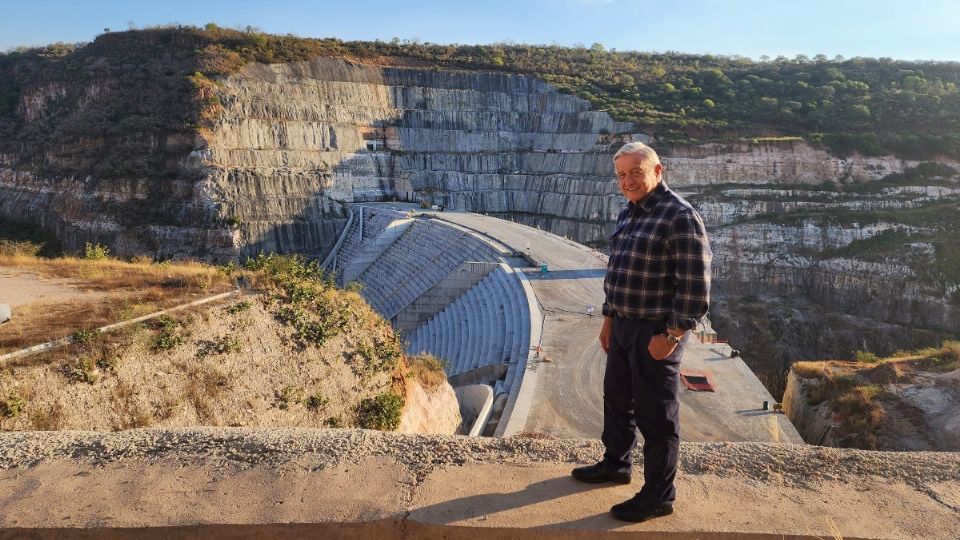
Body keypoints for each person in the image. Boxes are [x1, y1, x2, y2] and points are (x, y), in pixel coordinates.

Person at [572, 141, 712, 522]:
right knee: (616, 399)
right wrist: (608, 319)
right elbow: (617, 272)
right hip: (622, 324)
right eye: (622, 175)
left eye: (636, 171)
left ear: (657, 170)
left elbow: (696, 287)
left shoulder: (679, 217)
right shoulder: (630, 212)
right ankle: (615, 464)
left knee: (657, 416)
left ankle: (658, 496)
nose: (629, 180)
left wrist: (671, 335)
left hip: (655, 330)